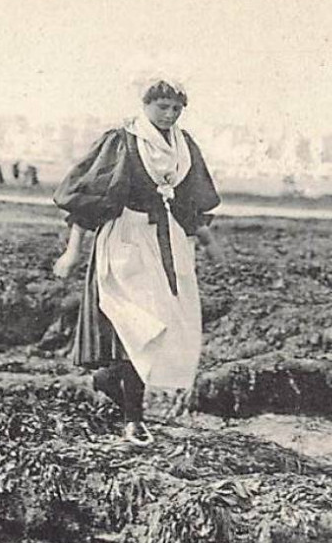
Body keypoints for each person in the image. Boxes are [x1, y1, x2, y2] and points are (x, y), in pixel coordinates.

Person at [51, 79, 224, 445]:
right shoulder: (123, 142)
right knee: (141, 328)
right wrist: (72, 252)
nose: (170, 115)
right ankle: (134, 419)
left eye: (176, 108)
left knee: (162, 326)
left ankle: (111, 384)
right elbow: (90, 200)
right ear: (146, 105)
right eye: (162, 107)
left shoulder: (183, 146)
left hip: (168, 243)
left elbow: (189, 202)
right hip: (125, 240)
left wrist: (209, 243)